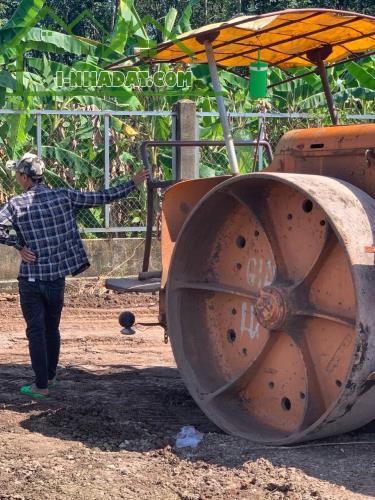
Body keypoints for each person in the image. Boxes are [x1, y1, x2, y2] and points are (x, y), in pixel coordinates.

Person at [0, 152, 148, 399]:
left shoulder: (16, 205)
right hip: (57, 277)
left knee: (35, 331)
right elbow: (101, 197)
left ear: (25, 177)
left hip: (32, 279)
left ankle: (40, 386)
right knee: (51, 328)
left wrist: (17, 245)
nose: (16, 177)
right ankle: (50, 376)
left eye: (17, 173)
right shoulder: (63, 196)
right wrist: (133, 182)